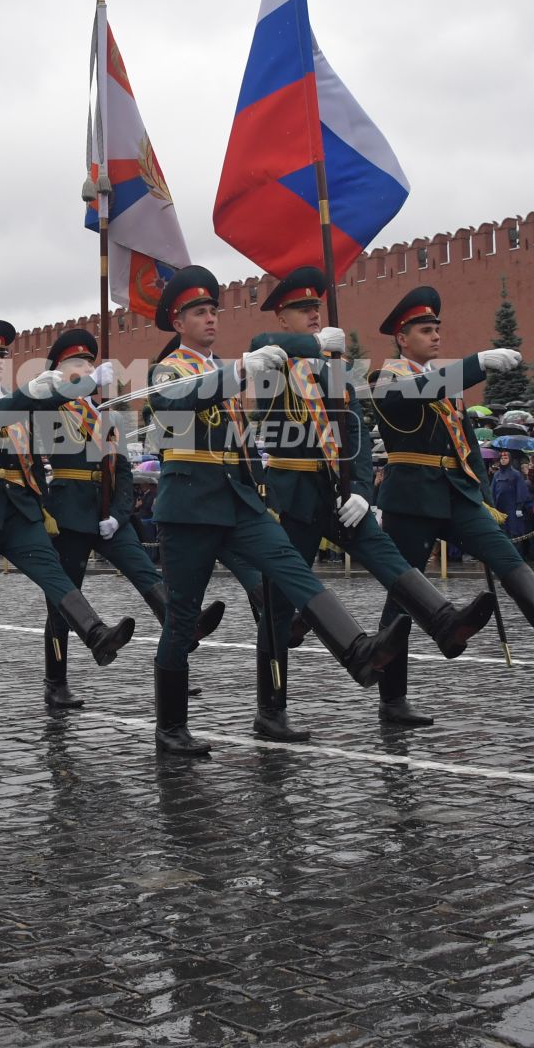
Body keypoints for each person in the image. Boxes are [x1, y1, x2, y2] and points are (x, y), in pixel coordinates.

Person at [143, 267, 423, 756]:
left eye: (213, 310)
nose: (211, 318)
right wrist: (238, 372)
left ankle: (357, 650)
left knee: (291, 568)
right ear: (177, 321)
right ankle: (170, 727)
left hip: (239, 502)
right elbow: (175, 400)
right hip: (188, 509)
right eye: (199, 312)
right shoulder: (171, 370)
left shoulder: (231, 367)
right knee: (182, 617)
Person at [248, 271, 496, 741]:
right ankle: (271, 709)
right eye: (303, 310)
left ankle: (442, 619)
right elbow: (266, 343)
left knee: (386, 555)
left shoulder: (335, 364)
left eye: (317, 309)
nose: (314, 314)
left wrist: (361, 487)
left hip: (339, 492)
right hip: (293, 494)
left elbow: (355, 427)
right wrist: (314, 346)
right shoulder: (272, 357)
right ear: (282, 316)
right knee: (280, 607)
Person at [363, 285, 534, 724]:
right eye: (426, 330)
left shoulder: (447, 385)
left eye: (437, 329)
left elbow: (464, 444)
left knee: (506, 554)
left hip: (458, 494)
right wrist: (476, 365)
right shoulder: (385, 379)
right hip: (412, 496)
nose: (436, 337)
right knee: (403, 597)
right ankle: (392, 699)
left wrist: (483, 498)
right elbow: (412, 393)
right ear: (402, 339)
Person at [0, 319, 135, 717]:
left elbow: (45, 418)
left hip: (20, 507)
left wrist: (79, 386)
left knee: (53, 573)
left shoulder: (18, 399)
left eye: (0, 355)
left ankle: (95, 633)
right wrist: (31, 393)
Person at [35, 326, 218, 712]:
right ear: (59, 369)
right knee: (64, 602)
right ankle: (56, 682)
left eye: (89, 361)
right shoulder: (51, 405)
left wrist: (119, 515)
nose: (85, 367)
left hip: (105, 516)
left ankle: (179, 647)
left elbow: (119, 472)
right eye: (76, 362)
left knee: (146, 573)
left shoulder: (105, 417)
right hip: (68, 514)